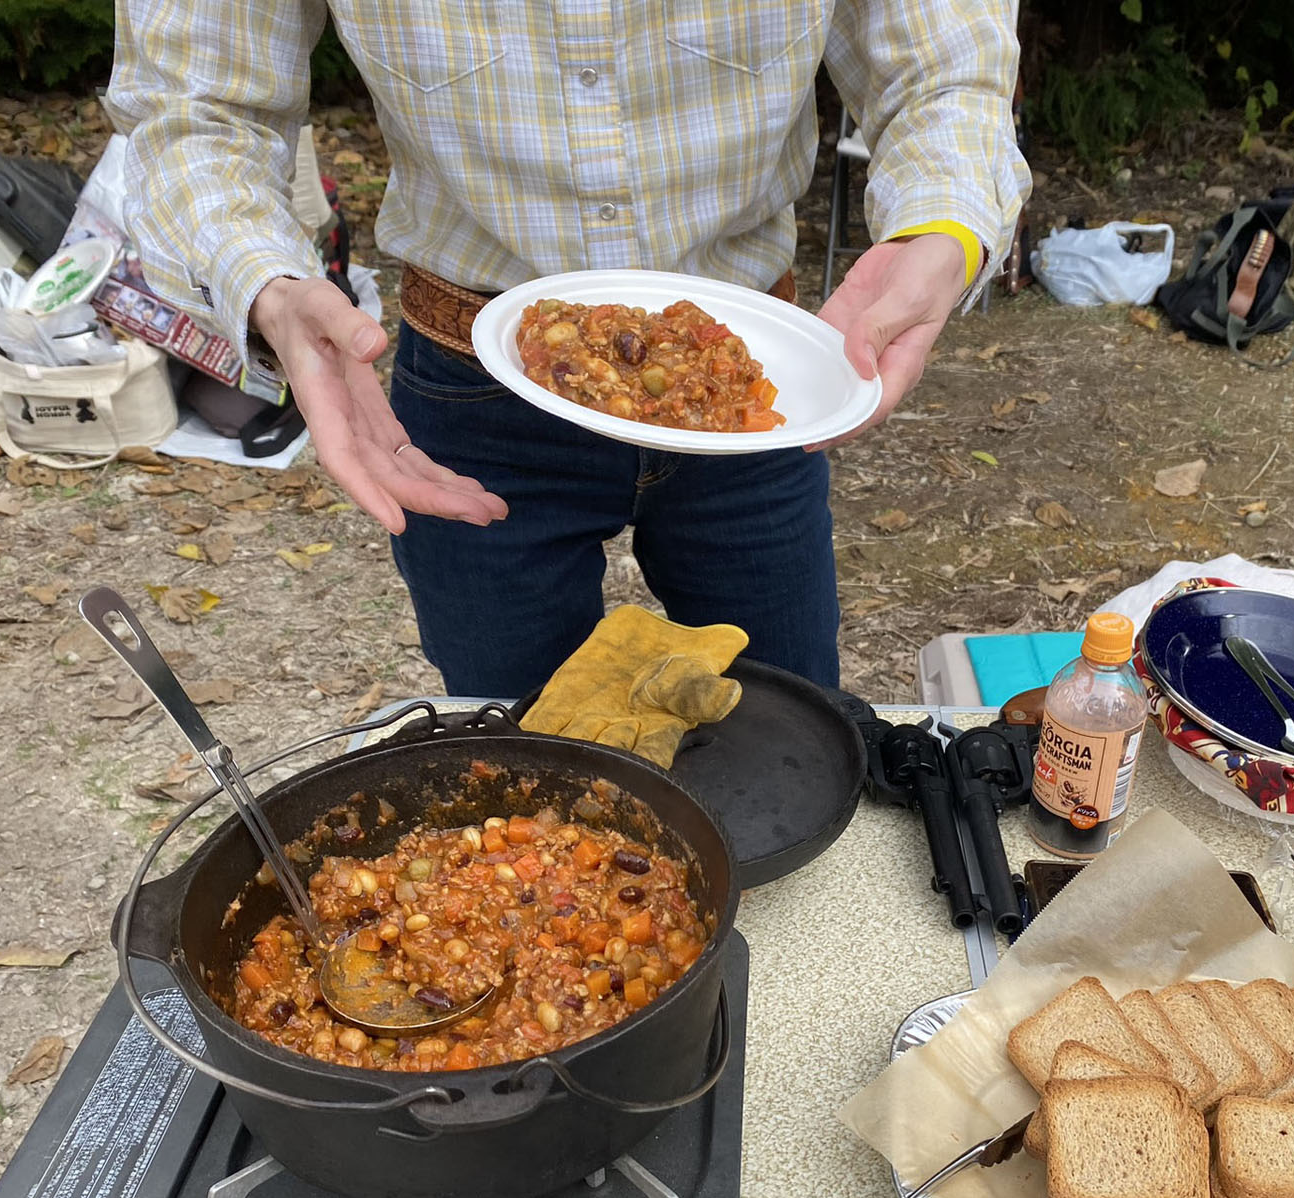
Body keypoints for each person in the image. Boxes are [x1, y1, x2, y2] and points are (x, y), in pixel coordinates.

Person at [108, 2, 1027, 696]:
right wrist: (266, 283)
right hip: (472, 388)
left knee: (791, 729)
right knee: (521, 757)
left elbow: (945, 68)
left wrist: (939, 230)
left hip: (751, 388)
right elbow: (192, 103)